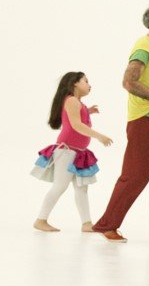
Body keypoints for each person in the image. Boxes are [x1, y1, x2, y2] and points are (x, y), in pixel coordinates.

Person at [92, 1, 149, 244]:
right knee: (136, 176)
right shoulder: (144, 47)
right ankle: (107, 225)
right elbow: (128, 82)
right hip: (143, 121)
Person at [31, 72, 113, 232]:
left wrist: (88, 111)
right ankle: (40, 220)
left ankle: (86, 223)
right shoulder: (72, 101)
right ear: (75, 83)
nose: (89, 85)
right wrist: (99, 136)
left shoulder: (77, 103)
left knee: (81, 188)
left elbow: (77, 115)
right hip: (67, 151)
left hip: (78, 153)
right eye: (86, 81)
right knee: (60, 186)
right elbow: (76, 125)